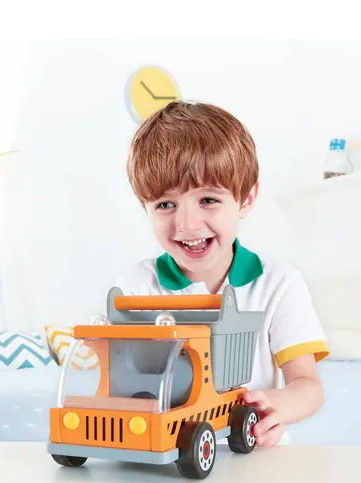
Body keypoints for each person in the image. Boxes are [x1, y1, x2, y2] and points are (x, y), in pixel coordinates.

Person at [117, 101, 328, 447]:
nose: (187, 224)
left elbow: (308, 386)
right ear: (146, 208)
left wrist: (276, 405)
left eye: (208, 200)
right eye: (165, 205)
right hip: (167, 454)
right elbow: (127, 385)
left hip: (252, 453)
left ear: (246, 199)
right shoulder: (134, 288)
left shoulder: (277, 283)